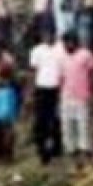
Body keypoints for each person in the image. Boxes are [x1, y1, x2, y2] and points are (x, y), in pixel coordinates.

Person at [58, 32, 93, 170]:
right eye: (65, 43)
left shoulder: (85, 55)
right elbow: (61, 78)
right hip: (66, 97)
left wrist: (91, 92)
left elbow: (92, 73)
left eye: (69, 42)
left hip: (82, 97)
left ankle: (87, 161)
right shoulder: (62, 58)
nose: (67, 46)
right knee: (68, 129)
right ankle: (74, 162)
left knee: (83, 128)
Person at [28, 30, 65, 163]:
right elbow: (33, 71)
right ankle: (42, 150)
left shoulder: (61, 48)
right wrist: (31, 92)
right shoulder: (37, 51)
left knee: (56, 119)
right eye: (46, 34)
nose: (48, 37)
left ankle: (57, 148)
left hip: (56, 88)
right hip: (42, 88)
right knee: (41, 121)